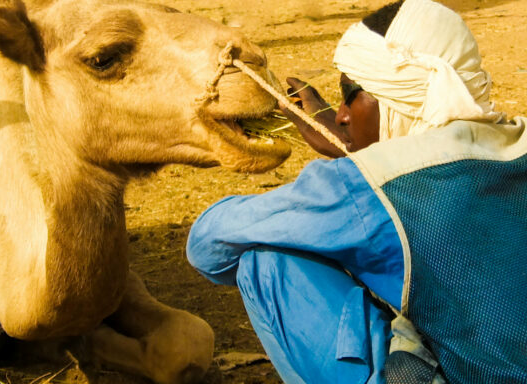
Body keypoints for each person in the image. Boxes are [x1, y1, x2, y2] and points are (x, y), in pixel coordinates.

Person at [186, 0, 527, 383]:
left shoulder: (372, 186)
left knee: (266, 259)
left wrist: (359, 163)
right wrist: (363, 144)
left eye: (350, 93)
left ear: (398, 92)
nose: (342, 115)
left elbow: (206, 246)